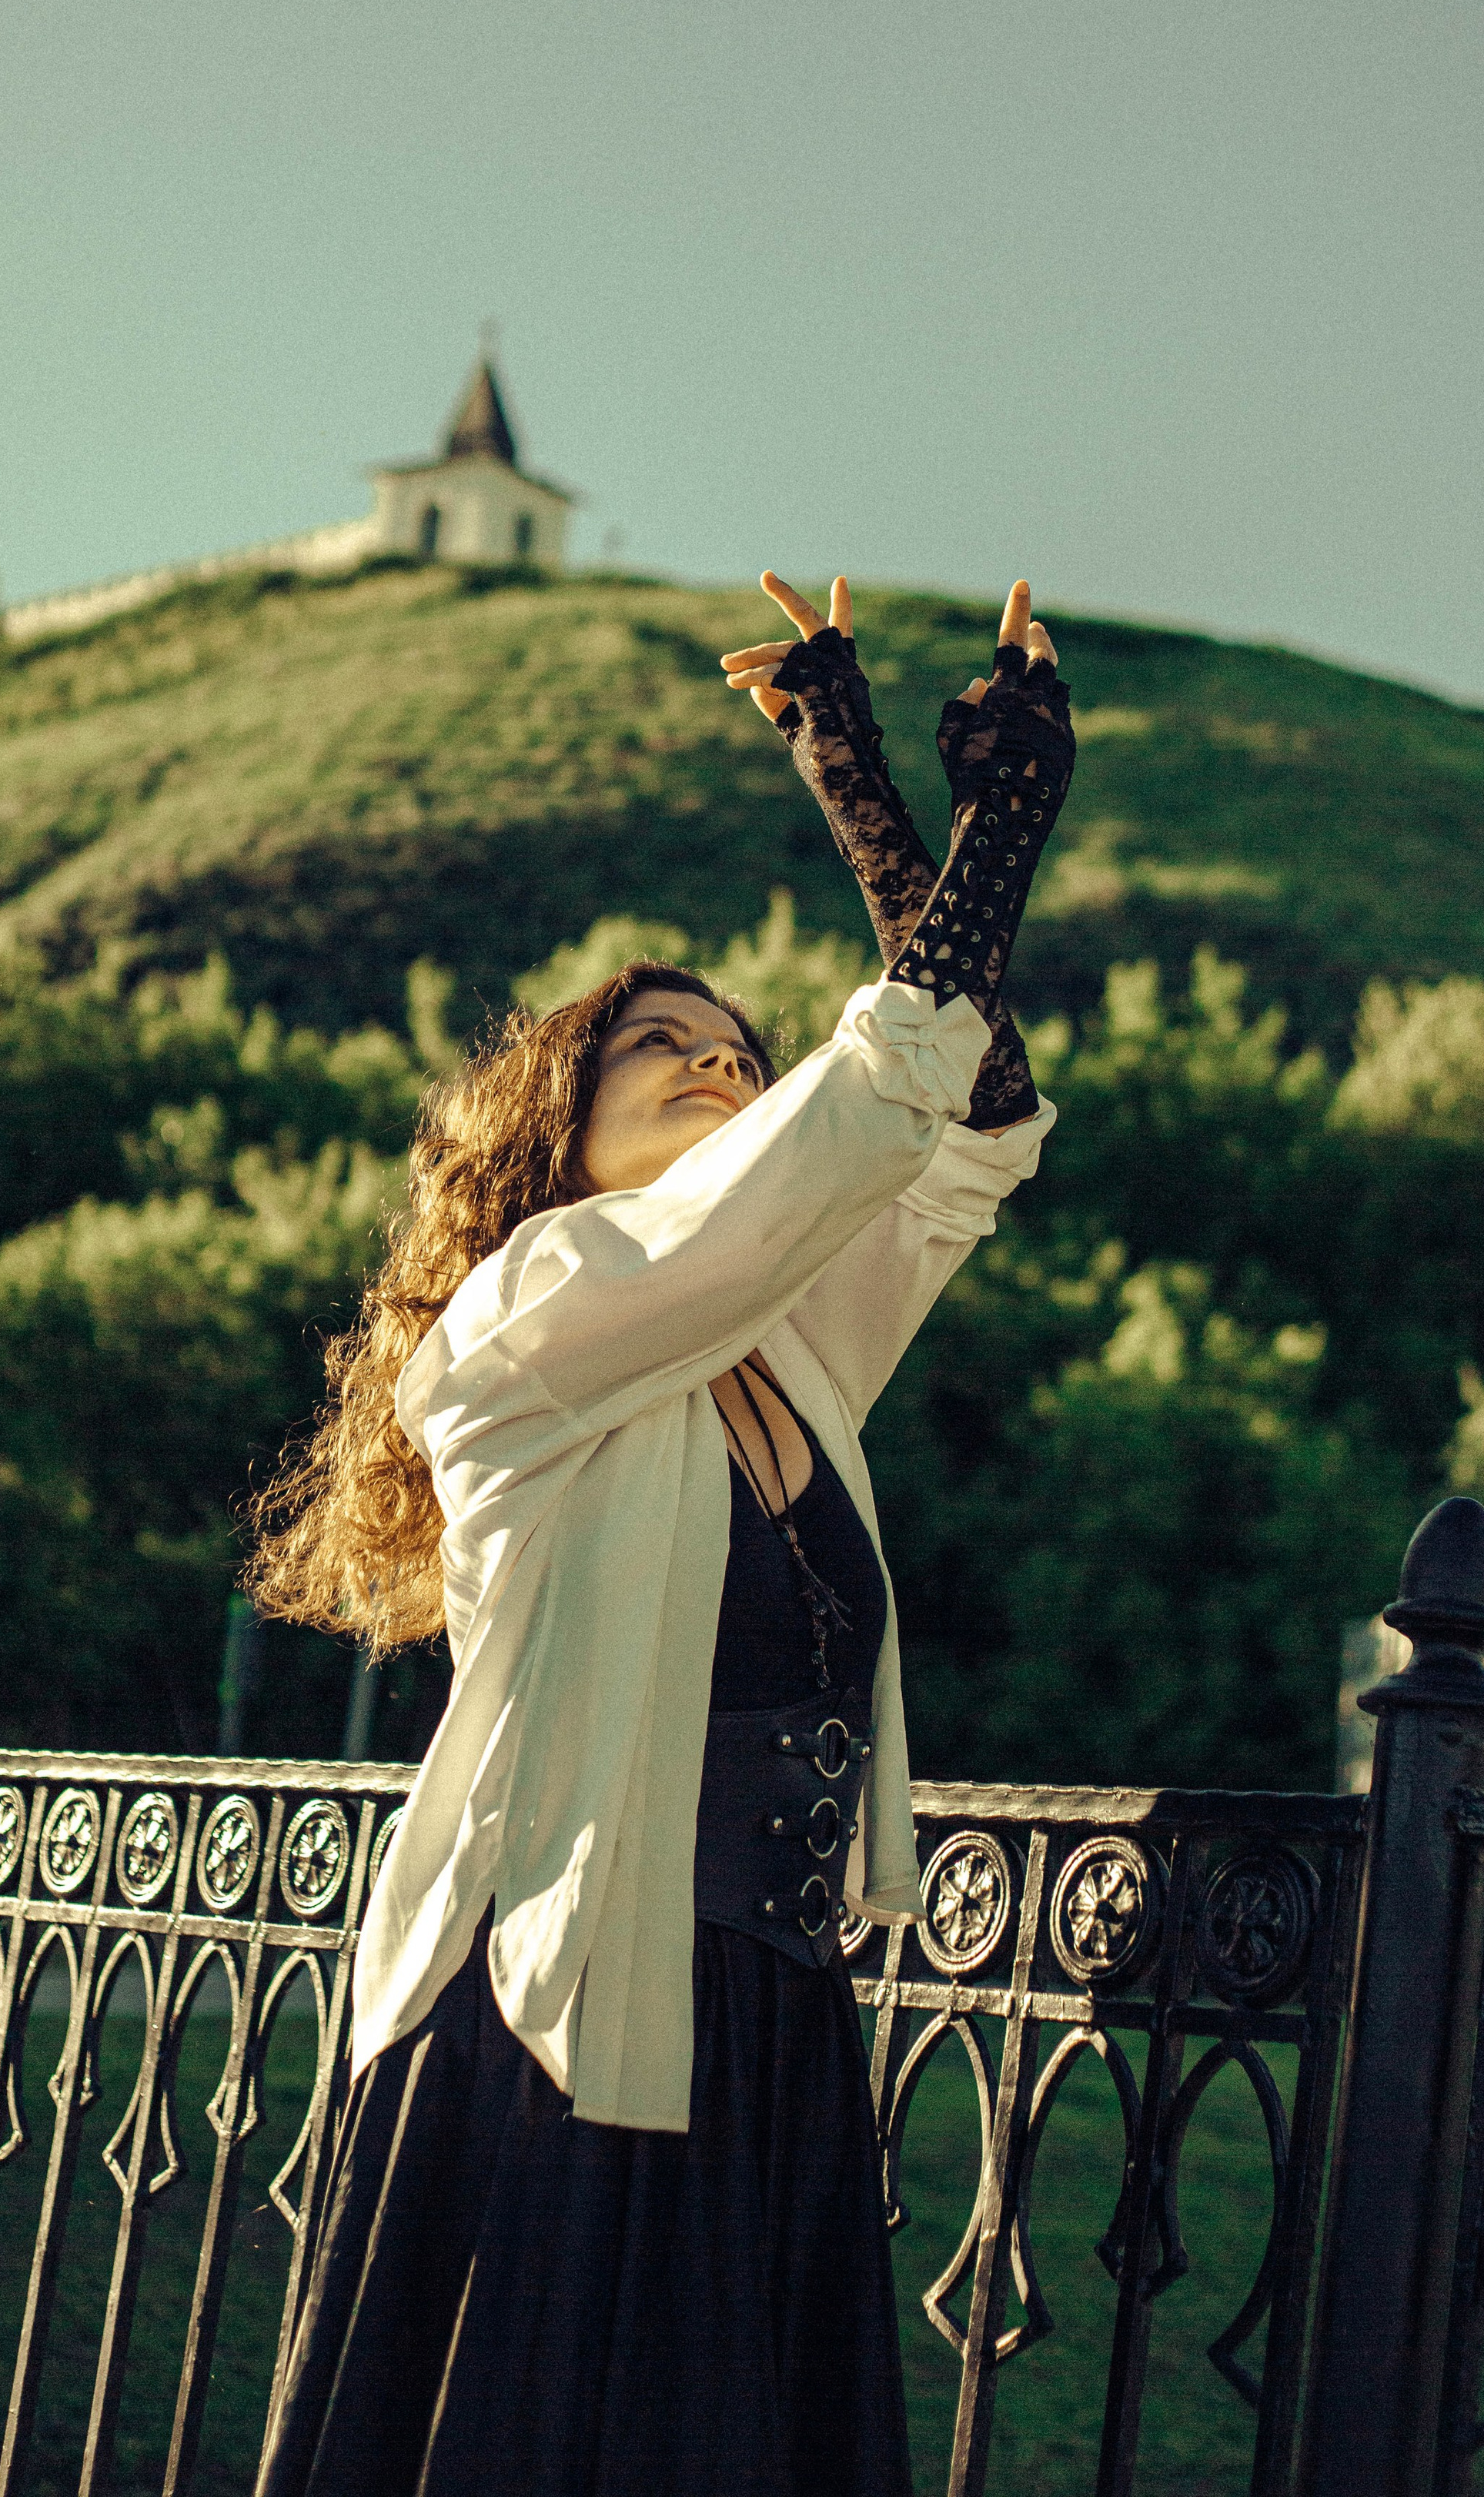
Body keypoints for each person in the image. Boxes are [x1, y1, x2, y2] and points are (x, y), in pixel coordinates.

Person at [246, 574, 1076, 2497]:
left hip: (765, 2035)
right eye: (663, 1052)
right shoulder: (528, 1322)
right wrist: (976, 828)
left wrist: (864, 789)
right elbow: (861, 1104)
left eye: (733, 1048)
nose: (718, 1066)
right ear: (555, 1130)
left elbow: (963, 1129)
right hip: (558, 2020)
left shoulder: (777, 1349)